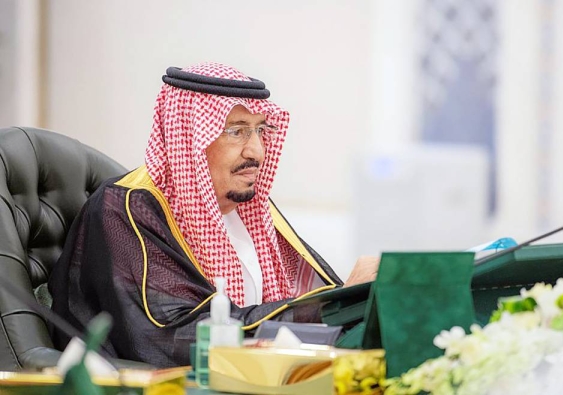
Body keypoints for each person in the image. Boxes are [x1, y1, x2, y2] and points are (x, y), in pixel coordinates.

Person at [49, 62, 379, 367]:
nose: (257, 152)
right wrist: (333, 304)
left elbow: (305, 303)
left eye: (261, 131)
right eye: (237, 131)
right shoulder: (127, 209)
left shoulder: (253, 211)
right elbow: (175, 340)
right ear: (190, 135)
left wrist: (360, 295)